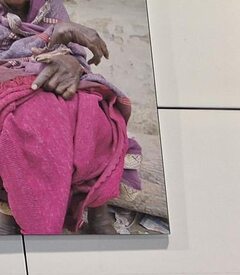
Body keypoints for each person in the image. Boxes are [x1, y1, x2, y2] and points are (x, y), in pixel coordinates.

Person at [0, 0, 139, 234]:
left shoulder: (50, 5)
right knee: (27, 122)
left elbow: (75, 55)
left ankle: (98, 212)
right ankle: (13, 216)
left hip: (47, 81)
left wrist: (70, 62)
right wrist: (54, 37)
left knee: (94, 111)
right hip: (11, 85)